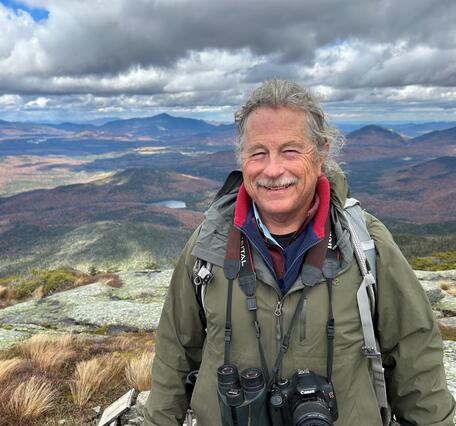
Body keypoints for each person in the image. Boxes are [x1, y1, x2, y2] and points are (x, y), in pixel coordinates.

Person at [144, 80, 455, 425]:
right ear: (242, 159)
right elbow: (175, 352)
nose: (273, 170)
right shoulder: (209, 243)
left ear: (321, 153)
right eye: (258, 152)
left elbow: (414, 357)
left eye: (291, 150)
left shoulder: (366, 243)